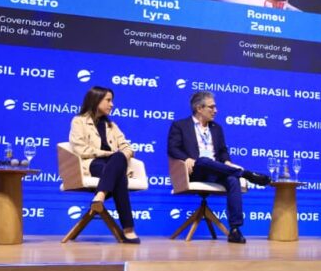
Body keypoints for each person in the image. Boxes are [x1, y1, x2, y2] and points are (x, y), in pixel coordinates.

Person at [166, 92, 271, 243]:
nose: (216, 110)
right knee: (202, 160)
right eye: (211, 107)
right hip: (195, 170)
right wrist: (186, 158)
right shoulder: (180, 126)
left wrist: (227, 161)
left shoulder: (217, 128)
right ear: (199, 108)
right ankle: (246, 174)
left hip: (216, 170)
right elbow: (172, 148)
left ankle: (235, 229)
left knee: (232, 180)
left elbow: (222, 152)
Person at [69, 86, 140, 244]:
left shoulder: (111, 126)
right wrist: (107, 154)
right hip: (93, 164)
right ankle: (128, 229)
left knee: (119, 160)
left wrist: (119, 155)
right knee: (119, 176)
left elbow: (128, 148)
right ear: (96, 100)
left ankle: (100, 195)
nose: (112, 104)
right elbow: (79, 148)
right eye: (108, 100)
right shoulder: (79, 121)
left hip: (114, 164)